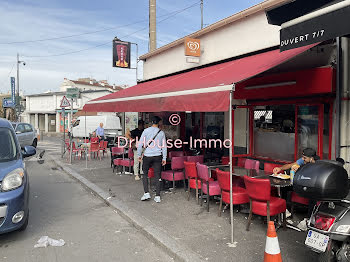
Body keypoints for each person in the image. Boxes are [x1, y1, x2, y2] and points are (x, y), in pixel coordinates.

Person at [137, 116, 167, 203]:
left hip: (147, 156)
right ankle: (157, 196)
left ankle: (146, 193)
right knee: (157, 176)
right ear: (158, 123)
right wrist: (164, 157)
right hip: (158, 156)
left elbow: (140, 144)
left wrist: (139, 155)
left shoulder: (146, 131)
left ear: (151, 122)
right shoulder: (161, 133)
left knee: (145, 174)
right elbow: (164, 146)